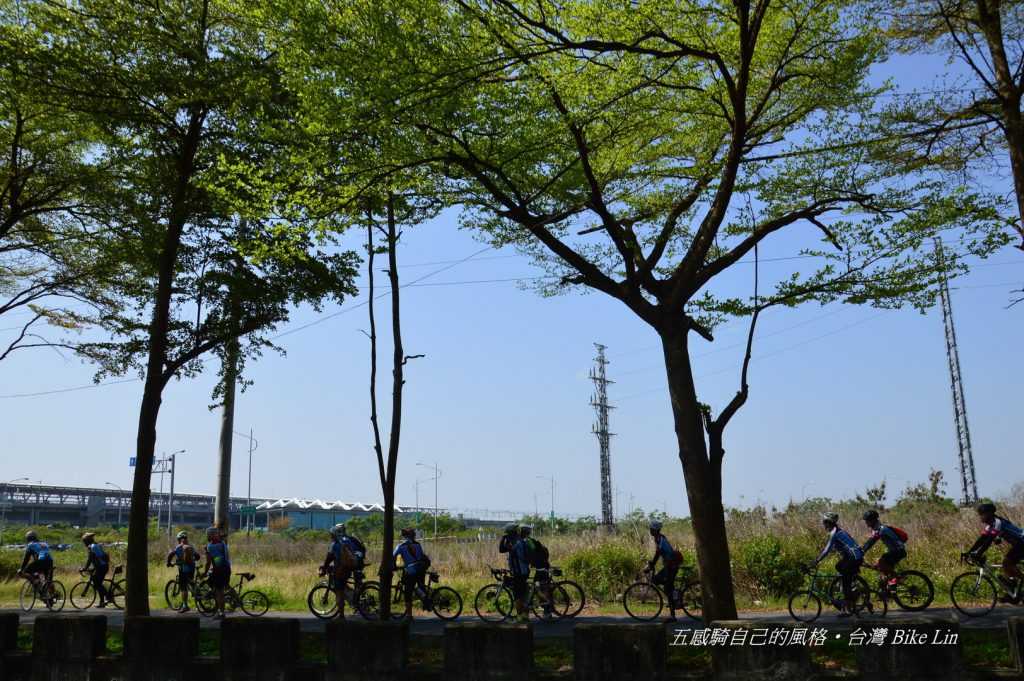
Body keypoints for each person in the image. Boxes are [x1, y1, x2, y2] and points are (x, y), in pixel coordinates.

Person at [965, 502, 1024, 602]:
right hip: (1019, 544)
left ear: (989, 514)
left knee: (1007, 562)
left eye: (982, 514)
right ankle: (1013, 594)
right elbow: (981, 540)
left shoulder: (997, 522)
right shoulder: (990, 525)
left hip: (1022, 542)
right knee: (1006, 565)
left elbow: (989, 541)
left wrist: (978, 553)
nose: (980, 517)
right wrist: (969, 552)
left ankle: (1015, 584)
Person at [813, 512, 864, 616]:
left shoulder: (835, 534)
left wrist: (817, 560)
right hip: (853, 557)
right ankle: (850, 586)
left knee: (845, 583)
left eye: (824, 522)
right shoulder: (839, 531)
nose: (823, 524)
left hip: (853, 558)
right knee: (839, 566)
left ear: (829, 522)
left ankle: (847, 609)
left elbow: (827, 550)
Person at [320, 523, 358, 618]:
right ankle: (352, 599)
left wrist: (324, 568)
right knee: (344, 586)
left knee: (339, 592)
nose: (331, 537)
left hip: (340, 571)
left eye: (331, 535)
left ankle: (341, 615)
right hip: (349, 569)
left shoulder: (335, 544)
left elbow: (329, 558)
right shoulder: (348, 541)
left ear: (334, 534)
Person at [860, 510, 907, 588]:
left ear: (873, 520)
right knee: (878, 565)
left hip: (898, 551)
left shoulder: (882, 529)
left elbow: (871, 542)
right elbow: (870, 541)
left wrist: (862, 551)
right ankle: (888, 589)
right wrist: (861, 549)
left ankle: (898, 577)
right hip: (894, 551)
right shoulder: (877, 529)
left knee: (881, 562)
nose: (866, 523)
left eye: (867, 521)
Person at [646, 520, 682, 623]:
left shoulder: (660, 539)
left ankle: (673, 615)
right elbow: (658, 553)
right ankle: (674, 593)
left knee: (666, 588)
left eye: (651, 529)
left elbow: (658, 553)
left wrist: (652, 564)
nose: (650, 530)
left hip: (671, 566)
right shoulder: (658, 538)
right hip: (669, 566)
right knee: (659, 582)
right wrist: (652, 563)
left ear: (655, 530)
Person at [393, 527, 431, 618]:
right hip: (421, 569)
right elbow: (421, 556)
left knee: (408, 592)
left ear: (404, 536)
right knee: (420, 587)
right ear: (413, 536)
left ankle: (409, 615)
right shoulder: (418, 544)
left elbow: (392, 557)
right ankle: (426, 601)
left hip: (411, 571)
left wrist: (394, 567)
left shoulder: (401, 546)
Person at [521, 525, 555, 618]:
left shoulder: (527, 541)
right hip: (542, 565)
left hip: (541, 567)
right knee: (539, 587)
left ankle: (547, 611)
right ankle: (546, 609)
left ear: (522, 532)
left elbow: (530, 554)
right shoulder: (530, 540)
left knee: (540, 588)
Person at [499, 523, 530, 622]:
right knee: (524, 594)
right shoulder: (520, 540)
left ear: (509, 532)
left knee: (517, 595)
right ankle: (525, 616)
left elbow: (501, 549)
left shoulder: (514, 543)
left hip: (518, 572)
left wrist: (503, 538)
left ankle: (519, 617)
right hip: (524, 571)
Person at [202, 526, 231, 618]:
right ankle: (237, 601)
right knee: (224, 587)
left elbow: (208, 562)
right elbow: (220, 558)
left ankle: (221, 613)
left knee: (219, 593)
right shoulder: (223, 543)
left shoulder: (211, 546)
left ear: (210, 535)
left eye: (208, 535)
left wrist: (205, 572)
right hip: (227, 568)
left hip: (219, 571)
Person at [166, 531, 198, 612]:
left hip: (183, 569)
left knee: (183, 587)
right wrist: (193, 559)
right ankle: (197, 595)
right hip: (192, 568)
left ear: (179, 539)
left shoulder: (178, 547)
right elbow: (198, 556)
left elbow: (170, 555)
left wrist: (169, 563)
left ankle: (185, 606)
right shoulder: (191, 546)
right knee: (191, 581)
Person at [17, 530, 55, 599]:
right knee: (48, 581)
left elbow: (26, 558)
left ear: (28, 538)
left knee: (25, 572)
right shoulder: (44, 543)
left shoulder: (30, 545)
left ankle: (35, 582)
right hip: (50, 561)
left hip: (41, 562)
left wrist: (21, 569)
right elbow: (41, 554)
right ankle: (51, 598)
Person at [80, 532, 111, 608]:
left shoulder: (92, 547)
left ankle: (109, 597)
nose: (84, 543)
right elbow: (95, 559)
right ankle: (102, 602)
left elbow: (90, 559)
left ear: (88, 541)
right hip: (101, 566)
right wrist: (91, 568)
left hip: (102, 567)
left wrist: (85, 568)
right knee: (98, 584)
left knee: (97, 584)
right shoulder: (95, 545)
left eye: (84, 541)